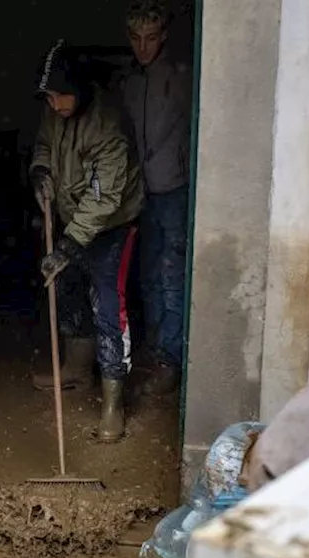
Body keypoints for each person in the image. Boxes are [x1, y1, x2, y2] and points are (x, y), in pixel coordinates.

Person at [30, 40, 145, 443]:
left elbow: (104, 199)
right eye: (48, 97)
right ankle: (77, 370)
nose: (55, 104)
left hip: (112, 225)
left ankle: (114, 400)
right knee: (70, 288)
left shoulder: (107, 125)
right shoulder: (55, 113)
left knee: (108, 306)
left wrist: (67, 247)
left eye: (61, 95)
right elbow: (45, 145)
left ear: (79, 88)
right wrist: (41, 171)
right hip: (72, 218)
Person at [119, 1, 192, 396]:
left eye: (150, 38)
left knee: (171, 274)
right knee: (146, 273)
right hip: (141, 193)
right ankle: (154, 348)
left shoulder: (180, 79)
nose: (142, 46)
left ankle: (170, 360)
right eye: (135, 39)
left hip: (175, 189)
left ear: (163, 36)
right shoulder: (130, 82)